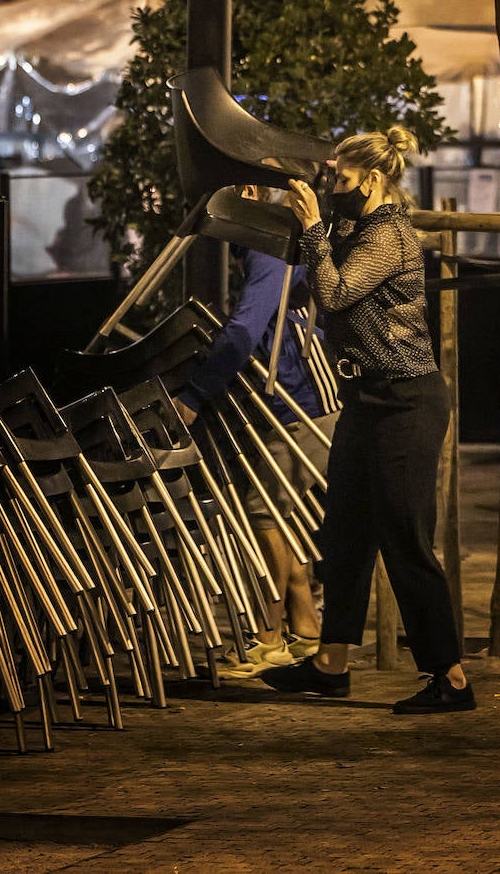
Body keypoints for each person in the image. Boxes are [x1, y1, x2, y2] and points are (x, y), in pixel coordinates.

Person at [260, 129, 475, 715]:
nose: (333, 188)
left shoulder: (391, 236)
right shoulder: (353, 228)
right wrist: (303, 221)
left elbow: (332, 293)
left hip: (406, 400)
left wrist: (310, 226)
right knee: (346, 532)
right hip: (365, 398)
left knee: (405, 537)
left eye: (342, 180)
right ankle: (331, 663)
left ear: (374, 180)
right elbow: (312, 270)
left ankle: (450, 676)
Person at [172, 188, 339, 677]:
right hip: (295, 400)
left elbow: (247, 326)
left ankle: (269, 637)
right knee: (280, 511)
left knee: (264, 511)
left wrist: (195, 395)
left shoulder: (270, 245)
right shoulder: (263, 245)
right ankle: (305, 627)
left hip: (301, 403)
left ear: (247, 195)